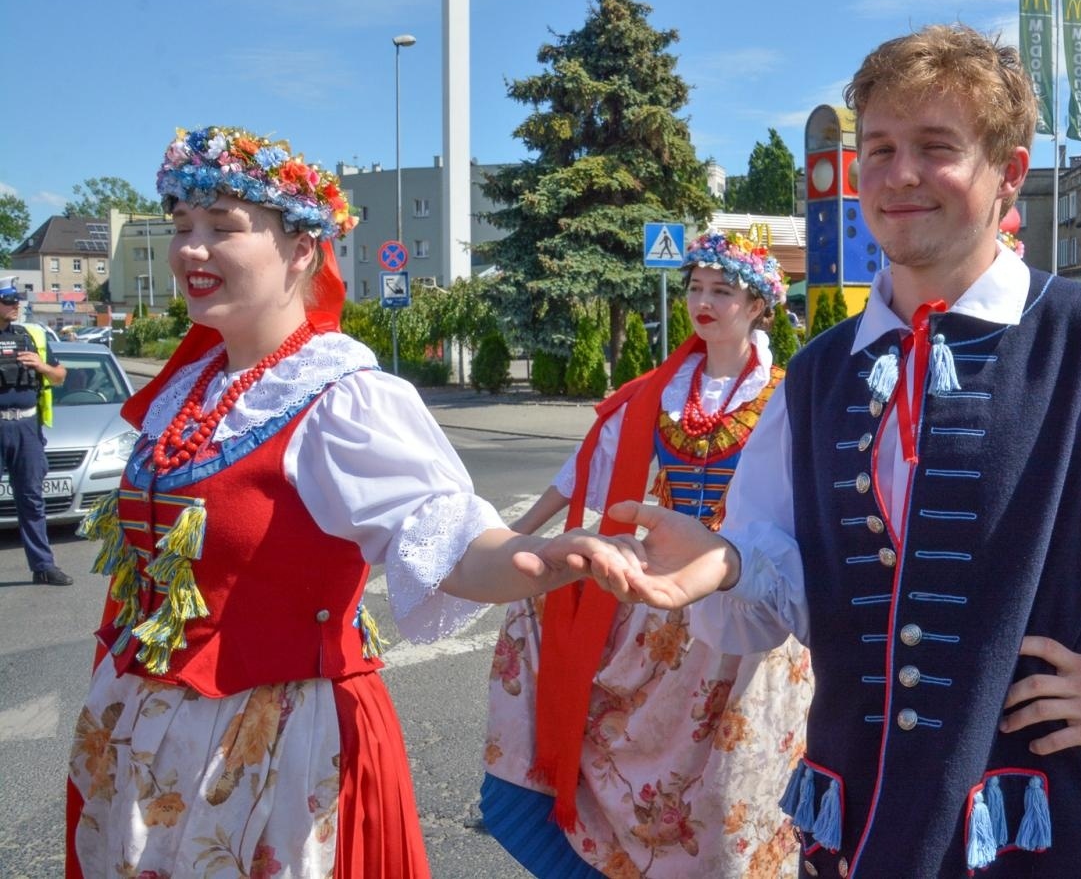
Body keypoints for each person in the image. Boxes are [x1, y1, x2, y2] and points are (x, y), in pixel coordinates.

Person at [580, 25, 1081, 878]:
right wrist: (726, 563)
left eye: (935, 147)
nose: (899, 174)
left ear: (1009, 175)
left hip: (1029, 828)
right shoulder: (818, 374)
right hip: (853, 825)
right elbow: (800, 584)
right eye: (878, 149)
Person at [66, 127, 626, 879]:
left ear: (302, 251)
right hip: (147, 738)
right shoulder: (186, 391)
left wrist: (540, 558)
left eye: (223, 228)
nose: (190, 251)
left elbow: (450, 542)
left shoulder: (342, 401)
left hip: (271, 751)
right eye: (181, 228)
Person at [480, 229, 811, 878]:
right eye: (695, 287)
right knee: (601, 721)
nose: (704, 301)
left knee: (726, 790)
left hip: (742, 604)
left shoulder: (784, 398)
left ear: (758, 307)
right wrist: (519, 537)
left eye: (723, 290)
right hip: (657, 606)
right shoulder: (655, 395)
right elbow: (583, 473)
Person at [0, 276, 71, 585]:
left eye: (16, 300)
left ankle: (43, 566)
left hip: (27, 426)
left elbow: (60, 376)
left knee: (31, 499)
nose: (15, 305)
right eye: (8, 301)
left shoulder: (30, 337)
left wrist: (42, 366)